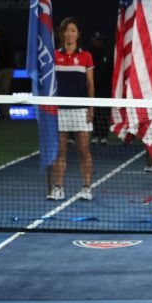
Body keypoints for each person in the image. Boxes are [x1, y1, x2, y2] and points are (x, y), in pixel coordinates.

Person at [50, 18, 95, 201]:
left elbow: (90, 84)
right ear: (61, 34)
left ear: (78, 34)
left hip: (80, 110)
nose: (69, 34)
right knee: (60, 151)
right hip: (59, 110)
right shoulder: (53, 55)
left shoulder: (86, 56)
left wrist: (91, 107)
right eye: (66, 31)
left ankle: (86, 187)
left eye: (73, 30)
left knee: (83, 150)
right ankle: (58, 187)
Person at [89, 32, 112, 144]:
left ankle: (104, 136)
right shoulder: (89, 55)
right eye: (96, 40)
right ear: (93, 41)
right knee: (94, 113)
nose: (98, 42)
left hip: (105, 91)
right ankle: (95, 135)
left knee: (104, 114)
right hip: (93, 90)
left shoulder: (108, 54)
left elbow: (111, 73)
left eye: (100, 40)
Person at [0, 29, 14, 120]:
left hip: (6, 70)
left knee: (5, 91)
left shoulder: (4, 43)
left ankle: (6, 114)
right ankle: (2, 114)